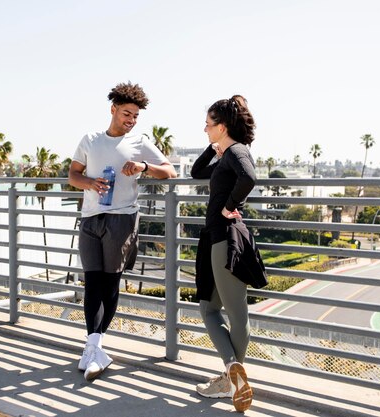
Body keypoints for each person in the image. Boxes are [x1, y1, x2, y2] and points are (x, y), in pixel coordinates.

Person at [68, 82, 176, 381]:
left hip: (122, 221)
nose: (131, 120)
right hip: (91, 218)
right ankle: (94, 349)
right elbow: (72, 176)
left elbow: (170, 171)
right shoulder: (90, 140)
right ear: (113, 109)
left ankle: (93, 349)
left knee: (110, 283)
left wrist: (143, 166)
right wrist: (90, 184)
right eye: (126, 113)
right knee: (92, 282)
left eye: (135, 116)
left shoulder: (139, 141)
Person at [190, 95, 257, 412]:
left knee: (234, 312)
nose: (204, 128)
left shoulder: (239, 151)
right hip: (215, 240)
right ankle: (233, 372)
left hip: (226, 240)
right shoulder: (227, 154)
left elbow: (250, 177)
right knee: (209, 309)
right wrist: (213, 148)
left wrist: (230, 206)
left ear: (223, 126)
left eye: (208, 124)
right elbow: (196, 171)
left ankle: (231, 376)